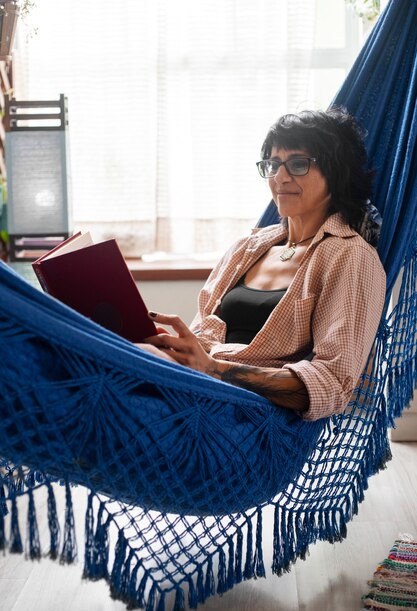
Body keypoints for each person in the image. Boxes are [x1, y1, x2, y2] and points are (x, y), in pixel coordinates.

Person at [140, 108, 386, 421]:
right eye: (272, 164)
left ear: (336, 171)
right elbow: (201, 340)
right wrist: (174, 349)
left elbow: (334, 384)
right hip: (193, 393)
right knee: (114, 350)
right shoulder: (249, 247)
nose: (280, 177)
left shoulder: (351, 257)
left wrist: (214, 368)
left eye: (298, 164)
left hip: (248, 422)